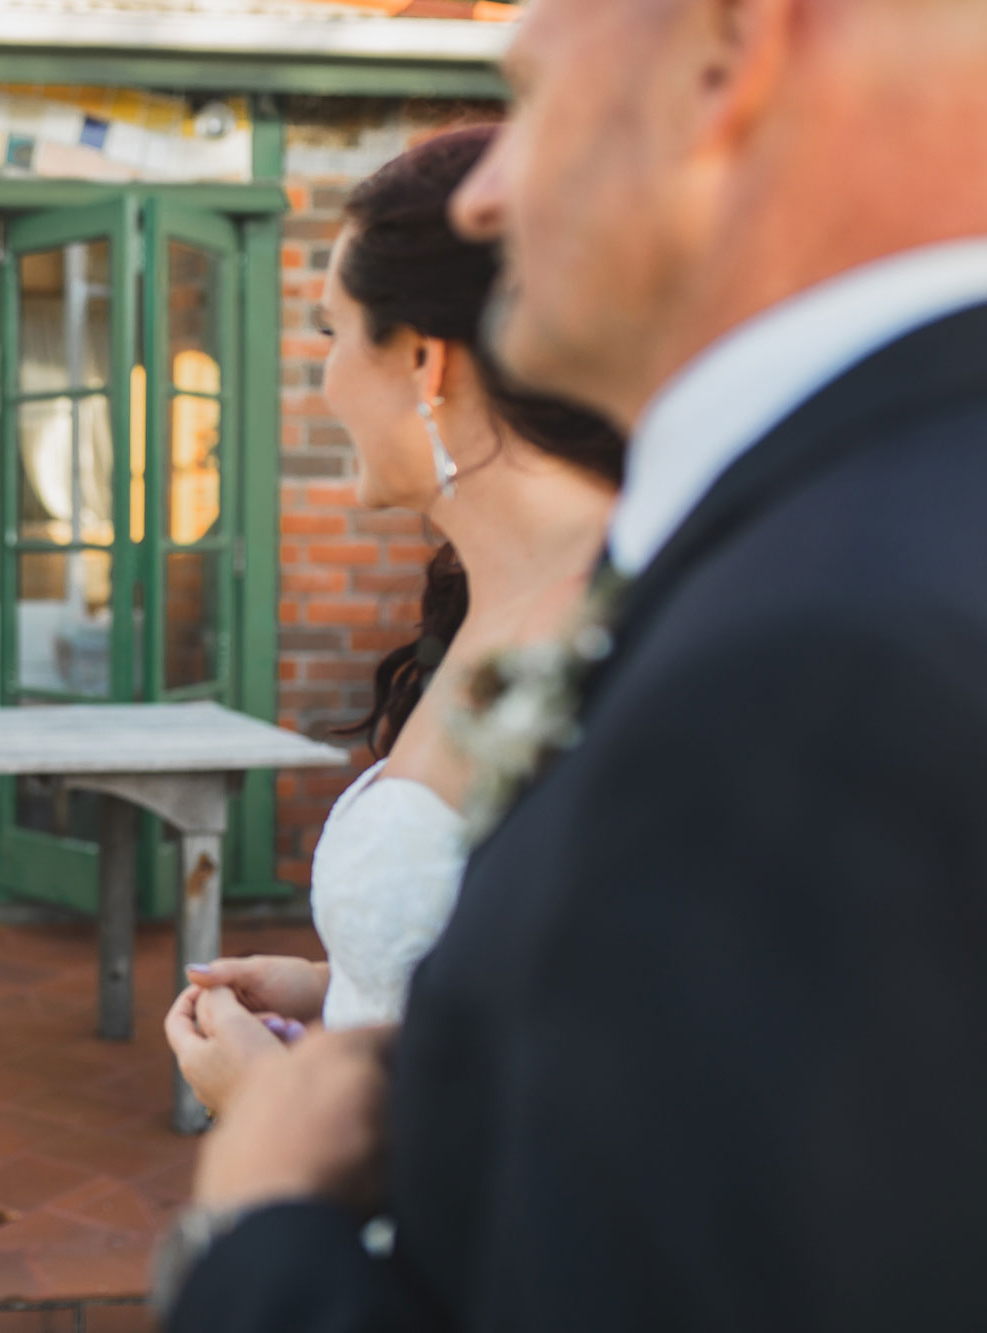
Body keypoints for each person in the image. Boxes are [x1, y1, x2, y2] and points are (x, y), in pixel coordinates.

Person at [164, 1, 987, 1330]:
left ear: (728, 56)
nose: (487, 197)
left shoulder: (827, 657)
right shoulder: (826, 527)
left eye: (532, 103)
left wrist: (258, 1217)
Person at [162, 125, 623, 1118]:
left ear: (422, 360)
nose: (320, 378)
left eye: (329, 332)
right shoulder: (487, 598)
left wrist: (277, 1109)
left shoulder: (618, 633)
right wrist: (342, 990)